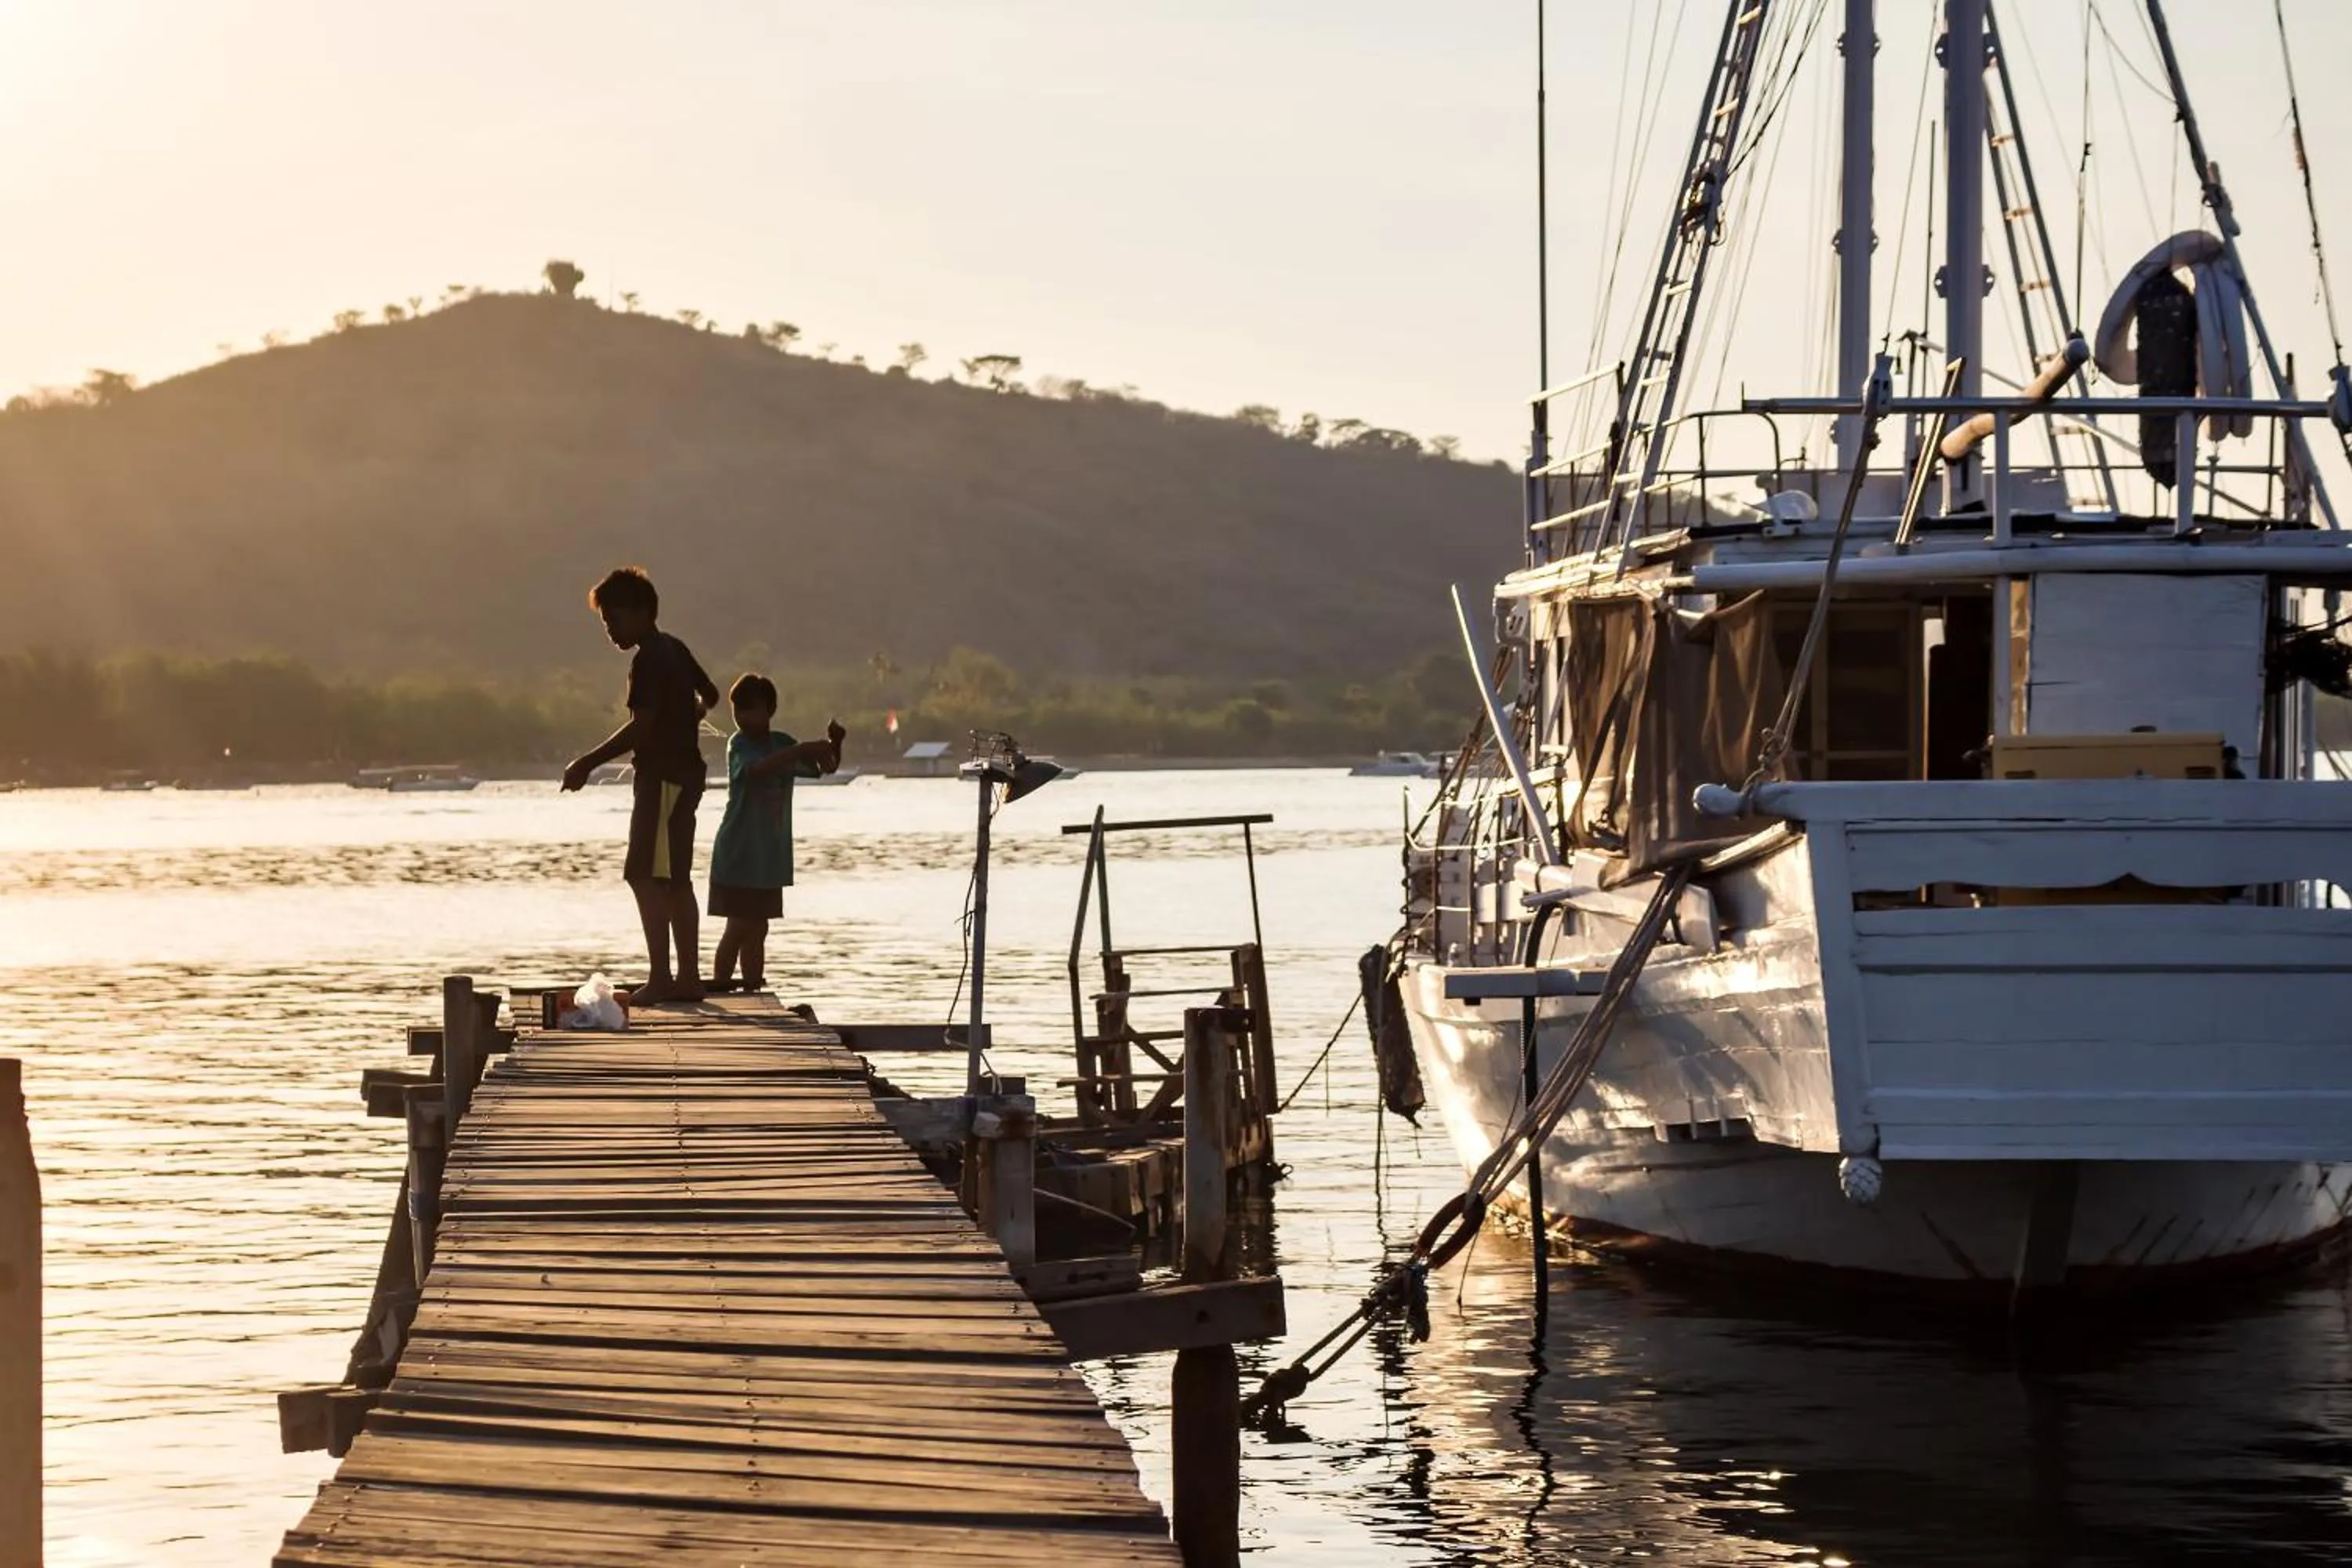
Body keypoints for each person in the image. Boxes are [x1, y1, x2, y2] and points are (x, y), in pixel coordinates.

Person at [561, 566, 720, 1004]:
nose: (610, 630)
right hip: (685, 775)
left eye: (614, 619)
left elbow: (641, 728)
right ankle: (685, 978)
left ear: (642, 612)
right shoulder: (676, 647)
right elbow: (711, 694)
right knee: (673, 878)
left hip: (665, 779)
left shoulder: (649, 659)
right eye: (606, 622)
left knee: (645, 875)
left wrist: (586, 764)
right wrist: (692, 714)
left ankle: (667, 978)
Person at [707, 673, 845, 992]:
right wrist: (801, 751)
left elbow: (827, 767)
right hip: (739, 852)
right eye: (738, 711)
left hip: (768, 857)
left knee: (759, 929)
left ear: (770, 710)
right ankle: (722, 987)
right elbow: (756, 770)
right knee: (739, 926)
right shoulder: (739, 744)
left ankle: (752, 987)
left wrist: (835, 743)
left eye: (750, 709)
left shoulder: (782, 743)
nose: (743, 718)